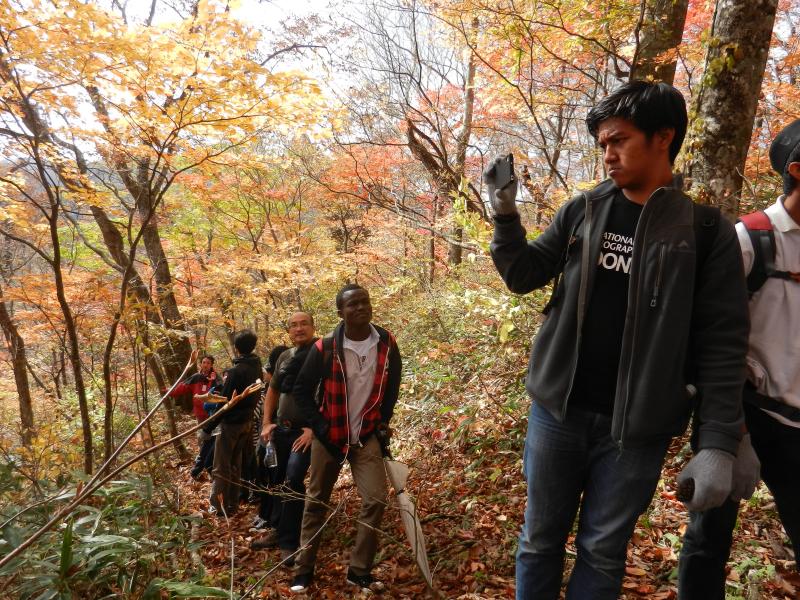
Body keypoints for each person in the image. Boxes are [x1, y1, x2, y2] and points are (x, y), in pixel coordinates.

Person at [485, 80, 750, 599]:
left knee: (603, 552)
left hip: (638, 429)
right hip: (557, 412)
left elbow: (722, 341)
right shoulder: (584, 210)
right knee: (538, 541)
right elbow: (524, 274)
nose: (607, 154)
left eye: (619, 140)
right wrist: (504, 213)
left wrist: (719, 442)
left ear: (663, 137)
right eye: (602, 143)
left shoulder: (705, 232)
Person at [678, 120, 800, 598]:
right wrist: (731, 436)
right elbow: (710, 340)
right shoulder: (749, 238)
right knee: (707, 542)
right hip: (740, 414)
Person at [288, 284, 402, 594]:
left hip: (366, 435)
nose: (361, 308)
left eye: (364, 302)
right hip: (331, 436)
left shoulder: (386, 342)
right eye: (352, 305)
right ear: (341, 312)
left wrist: (384, 419)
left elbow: (393, 382)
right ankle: (304, 569)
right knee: (315, 503)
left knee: (376, 499)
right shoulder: (324, 348)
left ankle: (359, 570)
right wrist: (321, 428)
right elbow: (301, 391)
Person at [252, 312, 318, 566]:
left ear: (313, 327)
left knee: (293, 477)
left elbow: (328, 393)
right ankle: (280, 528)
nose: (299, 329)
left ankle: (290, 542)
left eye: (304, 324)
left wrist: (314, 429)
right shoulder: (284, 357)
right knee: (276, 479)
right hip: (282, 430)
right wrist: (267, 422)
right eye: (294, 325)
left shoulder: (322, 353)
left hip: (306, 432)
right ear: (288, 330)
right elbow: (273, 390)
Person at [209, 330, 262, 516]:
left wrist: (209, 425)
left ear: (237, 348)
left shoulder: (236, 371)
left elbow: (226, 401)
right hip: (246, 422)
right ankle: (232, 504)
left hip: (231, 423)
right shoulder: (257, 367)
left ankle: (217, 505)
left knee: (222, 465)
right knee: (235, 464)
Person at [251, 344, 290, 528]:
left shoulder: (282, 384)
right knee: (268, 478)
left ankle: (272, 518)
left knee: (273, 479)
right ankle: (266, 515)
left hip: (273, 438)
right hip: (268, 437)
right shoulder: (273, 384)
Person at [167, 354, 219, 479]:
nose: (205, 365)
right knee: (202, 440)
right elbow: (182, 388)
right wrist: (168, 391)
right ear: (201, 364)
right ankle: (204, 467)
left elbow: (218, 392)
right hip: (200, 416)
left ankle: (211, 467)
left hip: (213, 415)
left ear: (212, 365)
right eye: (204, 362)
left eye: (208, 363)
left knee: (213, 441)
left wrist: (212, 380)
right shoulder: (196, 377)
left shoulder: (216, 378)